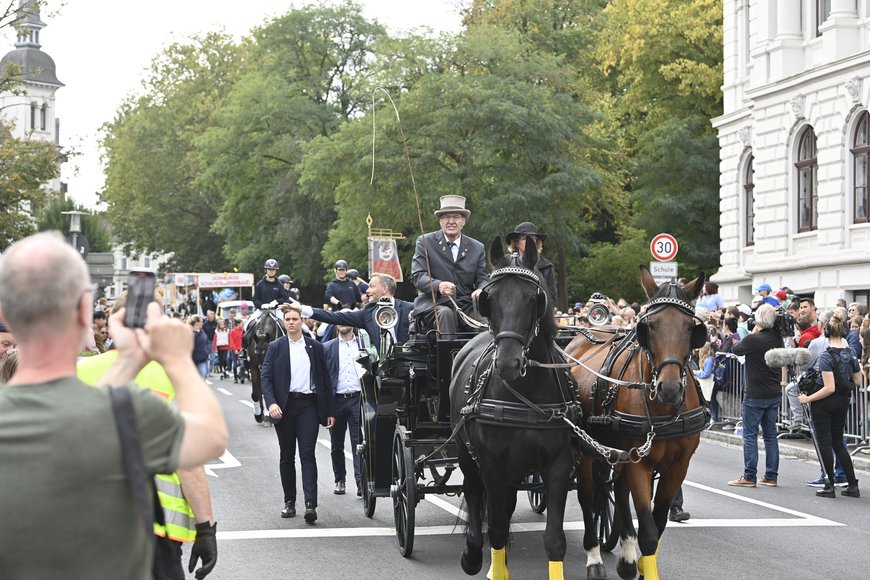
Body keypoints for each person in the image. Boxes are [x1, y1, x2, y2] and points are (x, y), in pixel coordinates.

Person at [0, 231, 227, 580]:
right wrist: (177, 360)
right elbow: (211, 438)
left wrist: (130, 361)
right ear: (83, 312)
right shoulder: (129, 410)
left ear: (5, 314)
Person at [78, 294, 219, 580]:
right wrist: (206, 528)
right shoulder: (172, 375)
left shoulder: (80, 370)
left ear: (113, 325)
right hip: (156, 527)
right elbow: (189, 463)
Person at [261, 308, 336, 524]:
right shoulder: (276, 347)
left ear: (302, 321)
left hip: (308, 407)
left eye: (295, 319)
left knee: (307, 454)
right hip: (284, 407)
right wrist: (272, 403)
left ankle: (310, 504)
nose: (291, 322)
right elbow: (266, 378)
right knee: (287, 455)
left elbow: (325, 380)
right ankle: (289, 502)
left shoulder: (315, 347)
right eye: (288, 319)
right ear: (284, 322)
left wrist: (330, 411)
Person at [798, 309, 861, 498]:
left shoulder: (826, 356)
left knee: (824, 443)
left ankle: (829, 484)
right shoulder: (850, 354)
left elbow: (829, 387)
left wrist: (807, 398)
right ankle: (852, 484)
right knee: (838, 443)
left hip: (824, 404)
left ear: (826, 332)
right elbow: (858, 381)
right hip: (843, 402)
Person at [411, 195, 489, 334]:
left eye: (456, 217)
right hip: (434, 303)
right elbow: (418, 276)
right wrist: (438, 285)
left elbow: (483, 278)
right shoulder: (425, 242)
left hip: (467, 305)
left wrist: (481, 289)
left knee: (486, 326)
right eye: (446, 217)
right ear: (440, 221)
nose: (451, 221)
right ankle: (448, 356)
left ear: (463, 221)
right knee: (446, 315)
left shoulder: (477, 247)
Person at [290, 273, 413, 359]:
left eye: (371, 286)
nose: (367, 291)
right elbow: (334, 317)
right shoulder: (367, 313)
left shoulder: (409, 308)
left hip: (410, 367)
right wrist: (302, 308)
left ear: (384, 288)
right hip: (384, 374)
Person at [727, 304, 782, 488]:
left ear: (758, 320)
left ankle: (749, 476)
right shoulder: (777, 338)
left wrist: (754, 332)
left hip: (754, 394)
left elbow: (736, 349)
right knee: (770, 435)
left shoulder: (753, 340)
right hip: (773, 392)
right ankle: (771, 476)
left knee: (750, 435)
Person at [324, 322, 366, 497]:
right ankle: (339, 480)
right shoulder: (328, 347)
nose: (342, 323)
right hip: (336, 401)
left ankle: (360, 482)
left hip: (357, 399)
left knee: (359, 444)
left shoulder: (363, 345)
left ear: (353, 324)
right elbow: (324, 378)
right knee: (336, 444)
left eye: (346, 320)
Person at [506, 222, 557, 305]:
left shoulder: (546, 266)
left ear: (536, 242)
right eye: (524, 238)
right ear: (516, 242)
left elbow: (552, 297)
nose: (529, 242)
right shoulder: (507, 265)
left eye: (532, 238)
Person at [249, 258, 290, 328]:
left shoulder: (279, 284)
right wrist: (261, 305)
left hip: (275, 311)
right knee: (247, 325)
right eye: (269, 269)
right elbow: (255, 299)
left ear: (276, 271)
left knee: (286, 325)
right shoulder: (260, 284)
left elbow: (284, 298)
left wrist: (276, 301)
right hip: (261, 311)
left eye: (273, 270)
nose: (271, 271)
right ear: (266, 270)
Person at [190, 315, 210, 380]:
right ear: (196, 323)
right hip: (193, 359)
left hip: (203, 358)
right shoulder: (190, 333)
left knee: (203, 375)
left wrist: (207, 351)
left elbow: (206, 341)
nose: (202, 323)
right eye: (201, 322)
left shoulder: (202, 332)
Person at [229, 318, 245, 383]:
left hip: (241, 349)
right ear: (238, 324)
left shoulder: (243, 331)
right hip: (235, 349)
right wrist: (235, 349)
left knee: (242, 364)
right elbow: (231, 341)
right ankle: (235, 378)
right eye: (242, 324)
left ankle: (242, 377)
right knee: (235, 364)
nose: (243, 325)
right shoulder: (233, 331)